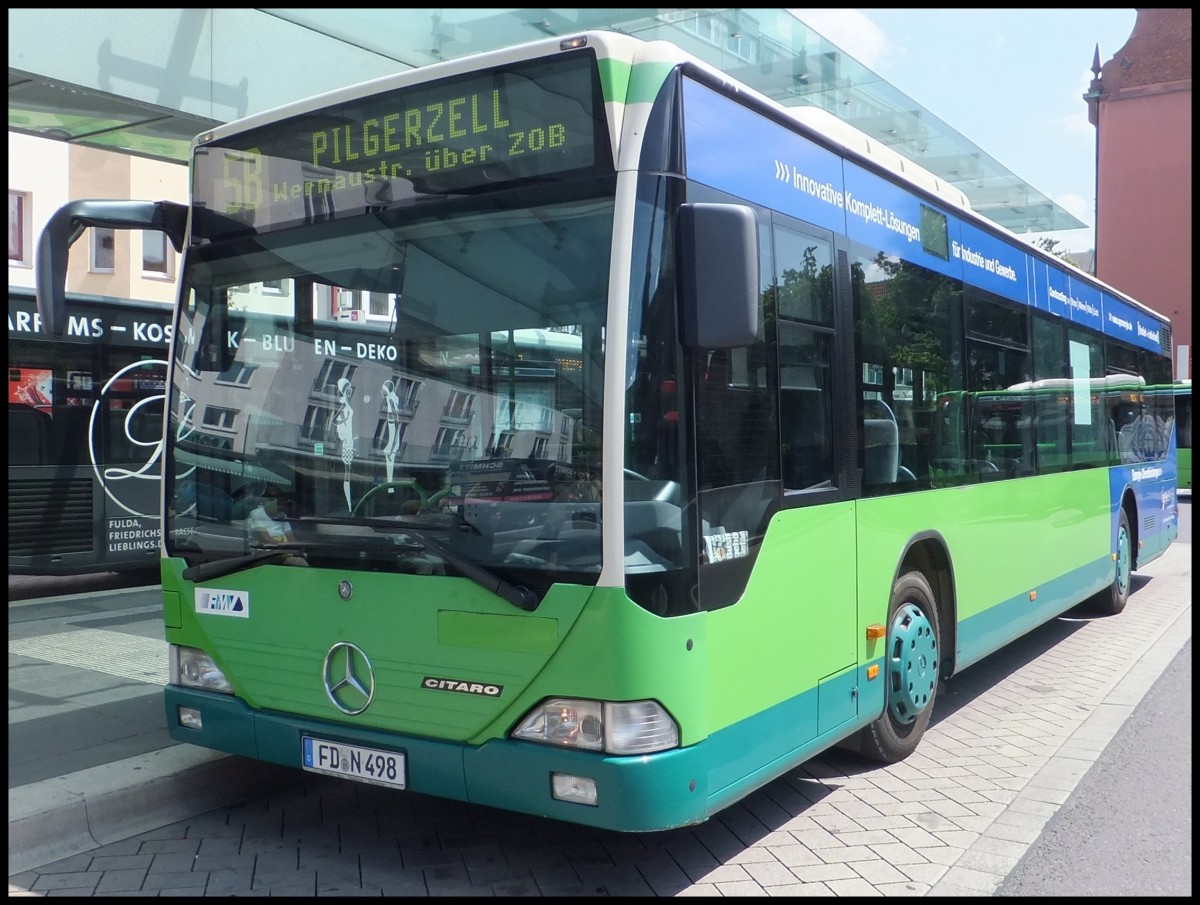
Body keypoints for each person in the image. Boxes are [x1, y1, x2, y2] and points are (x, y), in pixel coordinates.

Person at [246, 484, 307, 566]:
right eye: (278, 502)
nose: (281, 506)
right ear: (267, 501)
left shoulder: (282, 515)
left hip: (283, 553)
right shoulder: (257, 514)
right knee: (299, 563)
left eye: (282, 502)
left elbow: (291, 537)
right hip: (265, 555)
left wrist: (298, 549)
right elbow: (266, 539)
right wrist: (288, 550)